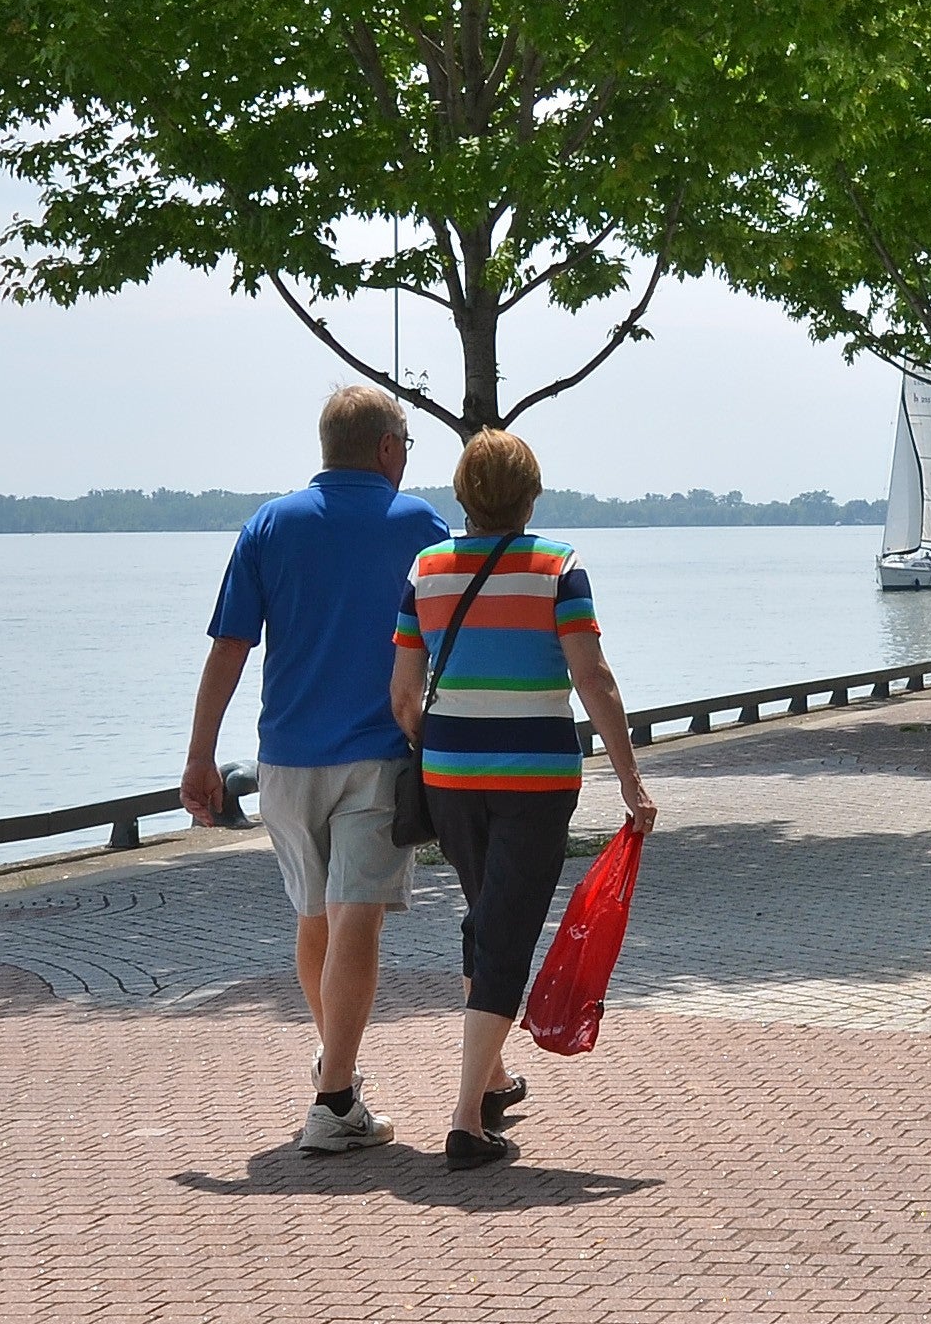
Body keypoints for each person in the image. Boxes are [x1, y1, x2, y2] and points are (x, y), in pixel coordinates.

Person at [185, 384, 447, 1155]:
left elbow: (229, 648)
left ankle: (339, 1079)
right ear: (388, 449)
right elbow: (450, 640)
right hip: (378, 753)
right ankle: (333, 1098)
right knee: (356, 914)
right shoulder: (421, 524)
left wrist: (199, 756)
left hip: (285, 760)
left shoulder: (269, 524)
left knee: (315, 916)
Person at [391, 427, 657, 1171]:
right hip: (535, 782)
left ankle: (495, 1076)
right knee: (506, 934)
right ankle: (466, 1121)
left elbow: (403, 695)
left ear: (463, 495)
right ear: (530, 493)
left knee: (487, 916)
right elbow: (592, 677)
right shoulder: (558, 568)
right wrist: (630, 778)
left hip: (449, 778)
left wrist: (442, 745)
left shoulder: (426, 569)